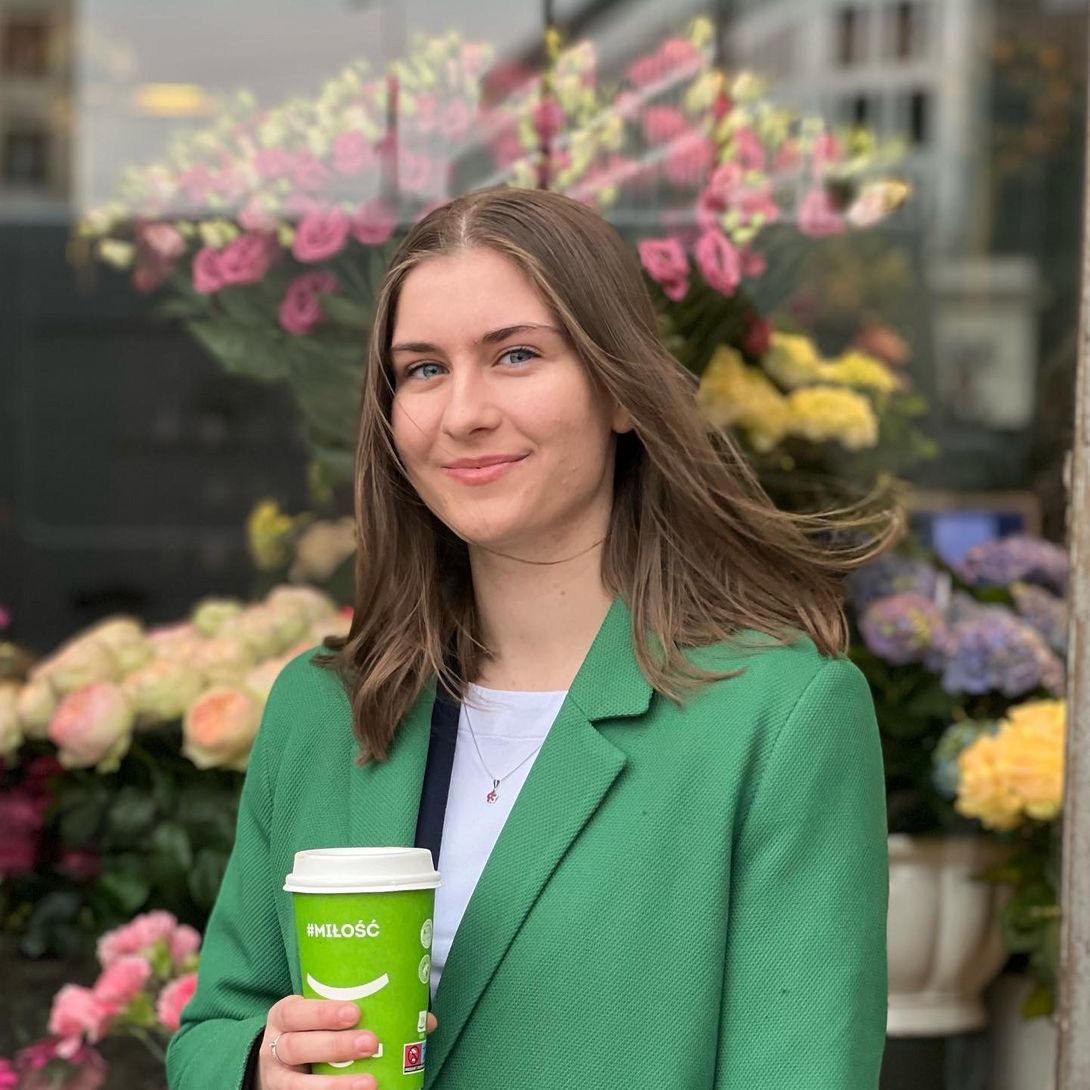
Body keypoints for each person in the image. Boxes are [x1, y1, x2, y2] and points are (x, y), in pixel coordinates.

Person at [166, 186, 898, 1090]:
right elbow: (212, 1032)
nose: (463, 412)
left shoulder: (779, 717)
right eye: (423, 369)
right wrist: (260, 1065)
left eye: (516, 355)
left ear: (619, 389)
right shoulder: (323, 711)